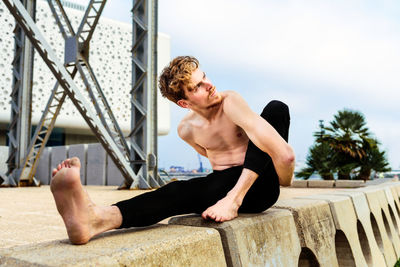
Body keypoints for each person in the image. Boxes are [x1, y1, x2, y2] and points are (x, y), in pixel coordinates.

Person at [50, 56, 295, 245]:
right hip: (222, 186)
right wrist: (219, 190)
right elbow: (212, 161)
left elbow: (284, 156)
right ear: (184, 103)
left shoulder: (230, 101)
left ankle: (234, 198)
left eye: (205, 77)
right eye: (198, 86)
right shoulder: (186, 130)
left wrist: (281, 179)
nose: (209, 85)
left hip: (259, 185)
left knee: (276, 109)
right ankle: (95, 219)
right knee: (177, 192)